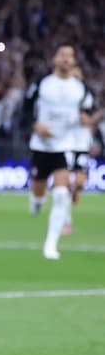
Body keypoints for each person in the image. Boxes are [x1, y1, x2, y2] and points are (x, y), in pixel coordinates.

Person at [23, 44, 95, 259]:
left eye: (70, 56)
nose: (66, 59)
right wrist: (36, 125)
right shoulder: (42, 84)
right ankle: (36, 202)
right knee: (38, 195)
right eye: (62, 55)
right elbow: (25, 109)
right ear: (55, 58)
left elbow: (90, 108)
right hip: (41, 146)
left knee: (62, 194)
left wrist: (86, 117)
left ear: (73, 61)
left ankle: (51, 244)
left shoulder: (80, 87)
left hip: (64, 146)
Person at [62, 65, 101, 235]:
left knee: (79, 182)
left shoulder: (87, 96)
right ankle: (66, 222)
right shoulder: (62, 97)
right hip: (66, 143)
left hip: (82, 143)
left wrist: (91, 118)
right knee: (64, 183)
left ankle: (76, 191)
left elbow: (90, 118)